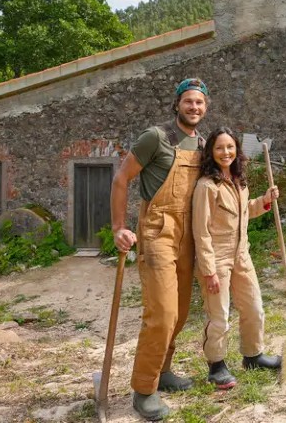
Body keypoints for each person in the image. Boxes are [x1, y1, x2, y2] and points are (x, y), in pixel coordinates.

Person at [109, 78, 209, 421]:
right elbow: (121, 179)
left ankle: (163, 371)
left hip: (190, 234)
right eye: (188, 102)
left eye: (199, 103)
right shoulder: (156, 137)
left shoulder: (205, 144)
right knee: (162, 314)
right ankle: (144, 389)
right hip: (157, 232)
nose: (193, 107)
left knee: (180, 313)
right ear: (177, 104)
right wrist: (118, 227)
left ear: (205, 107)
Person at [191, 127, 282, 390]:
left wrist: (264, 201)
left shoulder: (239, 181)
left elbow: (244, 212)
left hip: (242, 255)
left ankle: (253, 355)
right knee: (219, 316)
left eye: (230, 147)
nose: (225, 152)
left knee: (254, 307)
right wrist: (208, 271)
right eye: (219, 148)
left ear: (236, 150)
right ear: (211, 152)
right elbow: (201, 231)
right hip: (216, 259)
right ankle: (216, 366)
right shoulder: (207, 187)